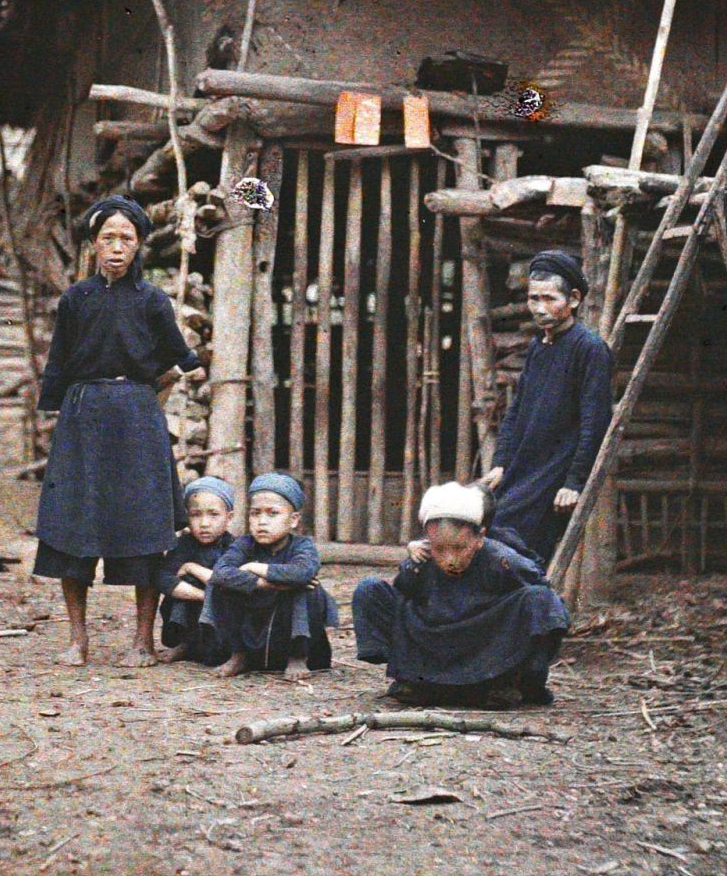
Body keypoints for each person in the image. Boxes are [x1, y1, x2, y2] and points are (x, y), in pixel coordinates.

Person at [33, 195, 207, 668]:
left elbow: (177, 355)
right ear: (93, 244)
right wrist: (57, 411)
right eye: (107, 238)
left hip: (136, 416)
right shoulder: (75, 300)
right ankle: (77, 640)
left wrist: (174, 378)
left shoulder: (151, 300)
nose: (116, 247)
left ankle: (142, 642)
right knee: (75, 525)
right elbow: (60, 360)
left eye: (125, 239)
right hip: (83, 415)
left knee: (144, 527)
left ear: (138, 247)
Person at [351, 481, 572, 707]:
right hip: (433, 640)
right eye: (439, 549)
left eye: (459, 549)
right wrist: (412, 566)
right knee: (370, 589)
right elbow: (403, 593)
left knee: (541, 600)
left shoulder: (502, 558)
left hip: (484, 645)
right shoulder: (422, 558)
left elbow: (543, 597)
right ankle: (414, 680)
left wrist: (530, 673)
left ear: (480, 538)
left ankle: (507, 683)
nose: (450, 559)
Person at [481, 250, 613, 565]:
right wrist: (501, 462)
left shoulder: (590, 350)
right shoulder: (539, 346)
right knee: (487, 526)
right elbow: (517, 411)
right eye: (533, 299)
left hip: (555, 470)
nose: (539, 309)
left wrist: (573, 482)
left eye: (549, 299)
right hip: (522, 464)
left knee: (514, 543)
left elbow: (595, 423)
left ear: (575, 299)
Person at [200, 473, 337, 679]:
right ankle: (239, 654)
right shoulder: (244, 544)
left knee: (305, 587)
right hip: (253, 628)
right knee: (221, 585)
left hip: (291, 631)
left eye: (272, 513)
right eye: (255, 513)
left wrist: (256, 567)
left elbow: (302, 572)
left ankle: (297, 656)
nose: (262, 522)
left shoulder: (302, 546)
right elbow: (220, 572)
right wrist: (267, 584)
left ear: (293, 520)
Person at [157, 475, 235, 664]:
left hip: (223, 613)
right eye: (195, 515)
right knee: (183, 587)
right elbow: (164, 579)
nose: (204, 523)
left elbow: (227, 580)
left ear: (229, 517)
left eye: (213, 514)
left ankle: (220, 649)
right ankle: (184, 643)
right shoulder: (183, 545)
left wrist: (192, 567)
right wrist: (203, 595)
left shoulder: (235, 547)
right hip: (192, 606)